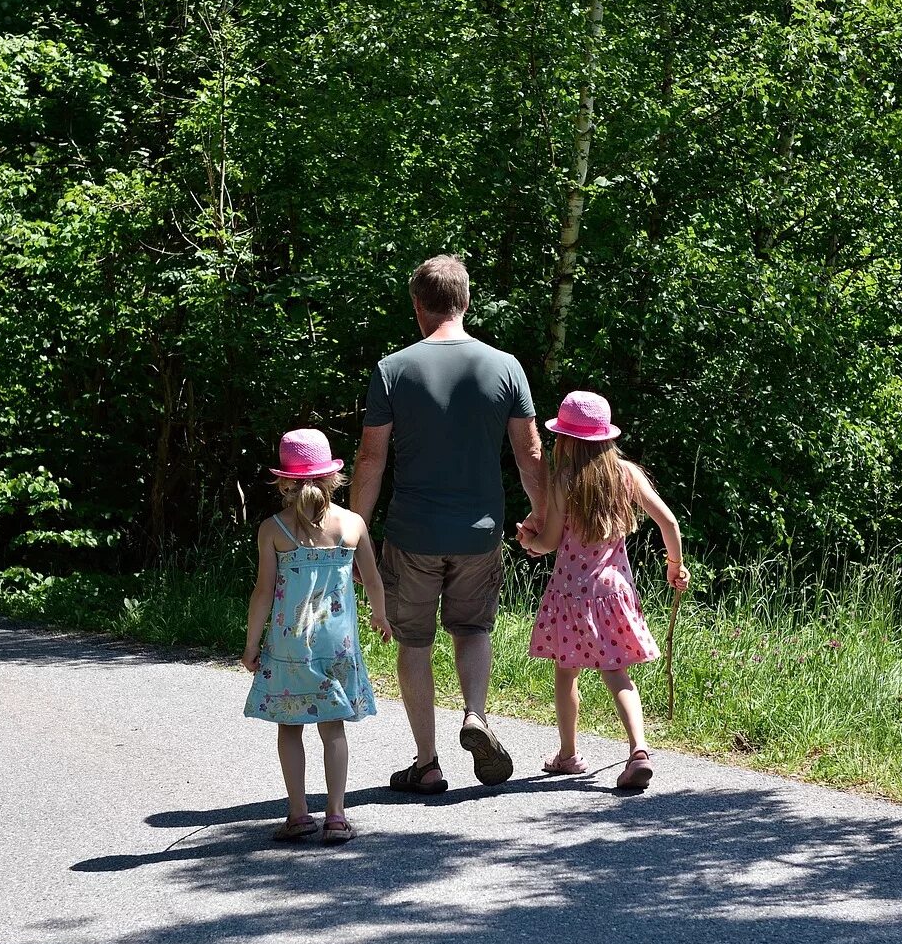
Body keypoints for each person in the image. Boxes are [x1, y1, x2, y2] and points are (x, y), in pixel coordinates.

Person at [352, 255, 548, 792]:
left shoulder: (394, 369)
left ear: (418, 305)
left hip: (412, 532)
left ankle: (427, 764)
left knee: (413, 643)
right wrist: (544, 517)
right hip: (479, 533)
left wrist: (353, 533)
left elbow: (371, 460)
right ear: (465, 301)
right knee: (473, 629)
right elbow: (529, 454)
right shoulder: (505, 366)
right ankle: (475, 717)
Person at [518, 390, 688, 791]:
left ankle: (567, 754)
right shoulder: (626, 474)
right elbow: (670, 524)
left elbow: (550, 542)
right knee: (616, 671)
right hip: (614, 591)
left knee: (566, 670)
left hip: (572, 594)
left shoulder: (565, 481)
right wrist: (674, 567)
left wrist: (529, 542)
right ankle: (639, 750)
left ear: (564, 440)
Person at [243, 428, 393, 843]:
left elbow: (263, 591)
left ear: (283, 482)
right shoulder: (352, 524)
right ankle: (337, 816)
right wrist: (380, 618)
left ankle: (297, 815)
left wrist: (252, 643)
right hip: (337, 642)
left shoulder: (272, 529)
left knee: (290, 727)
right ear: (332, 478)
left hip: (290, 644)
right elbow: (373, 581)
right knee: (333, 728)